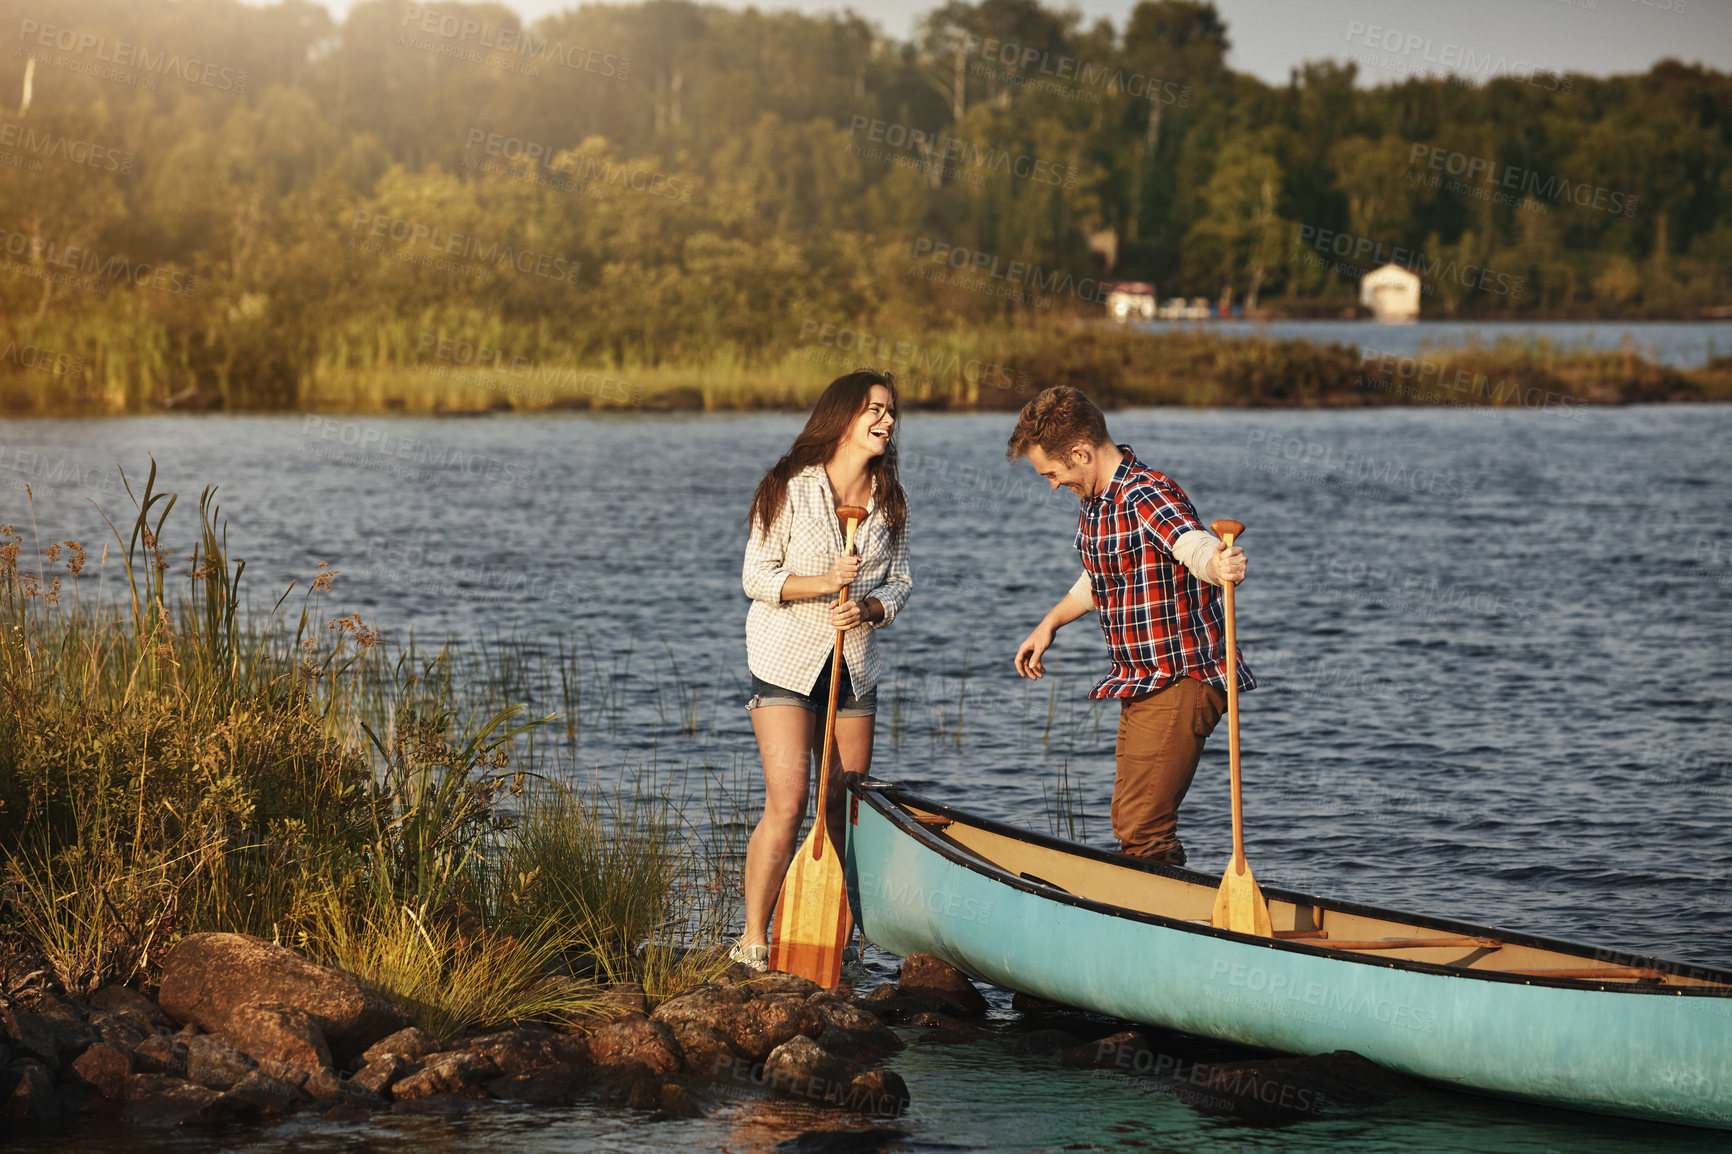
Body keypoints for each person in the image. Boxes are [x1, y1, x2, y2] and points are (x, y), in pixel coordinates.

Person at [1008, 386, 1253, 866]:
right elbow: (1101, 573)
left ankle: (1165, 920)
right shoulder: (1098, 500)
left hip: (1182, 676)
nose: (1053, 485)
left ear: (1081, 453)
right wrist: (1050, 624)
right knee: (1129, 818)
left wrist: (1219, 563)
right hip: (1143, 679)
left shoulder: (1147, 495)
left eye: (1053, 474)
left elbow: (1191, 543)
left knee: (1142, 825)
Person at [733, 369, 913, 971]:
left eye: (890, 411)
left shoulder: (888, 497)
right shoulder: (788, 485)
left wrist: (867, 606)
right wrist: (822, 585)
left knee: (841, 806)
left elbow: (902, 582)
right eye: (875, 410)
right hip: (785, 660)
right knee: (788, 805)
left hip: (853, 666)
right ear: (843, 417)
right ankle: (754, 939)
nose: (887, 421)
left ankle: (825, 934)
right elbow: (756, 577)